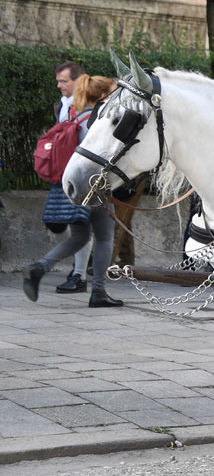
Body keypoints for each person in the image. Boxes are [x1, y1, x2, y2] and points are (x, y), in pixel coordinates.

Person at [24, 74, 122, 307]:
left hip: (72, 186)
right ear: (102, 96)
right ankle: (98, 292)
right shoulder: (96, 121)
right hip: (94, 187)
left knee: (79, 236)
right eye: (112, 92)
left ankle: (41, 267)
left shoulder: (73, 117)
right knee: (105, 237)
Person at [48, 61, 91, 293]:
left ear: (78, 80)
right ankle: (81, 265)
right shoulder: (64, 105)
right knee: (58, 222)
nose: (59, 85)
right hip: (64, 171)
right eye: (58, 81)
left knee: (81, 225)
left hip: (83, 173)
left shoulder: (89, 106)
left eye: (63, 81)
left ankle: (80, 273)